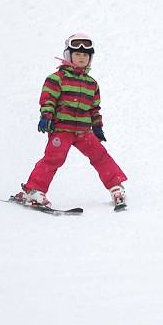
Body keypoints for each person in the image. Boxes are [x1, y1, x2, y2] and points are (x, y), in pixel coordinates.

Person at [13, 34, 127, 208]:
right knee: (53, 158)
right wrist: (46, 116)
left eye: (85, 55)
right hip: (62, 129)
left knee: (100, 155)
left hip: (84, 131)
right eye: (77, 54)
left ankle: (116, 186)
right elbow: (48, 99)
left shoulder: (92, 83)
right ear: (68, 55)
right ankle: (33, 190)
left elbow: (94, 108)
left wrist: (97, 127)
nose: (82, 58)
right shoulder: (57, 78)